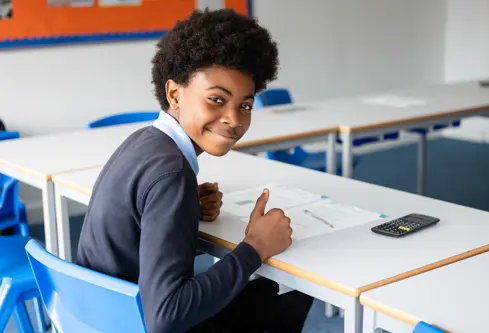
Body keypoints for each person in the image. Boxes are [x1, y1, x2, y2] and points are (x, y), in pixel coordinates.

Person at [76, 8, 313, 333]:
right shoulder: (171, 171)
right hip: (136, 322)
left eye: (245, 105)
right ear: (174, 93)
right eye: (217, 99)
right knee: (290, 297)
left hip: (100, 316)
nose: (234, 118)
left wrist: (189, 204)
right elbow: (165, 316)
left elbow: (139, 210)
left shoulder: (145, 141)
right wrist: (256, 247)